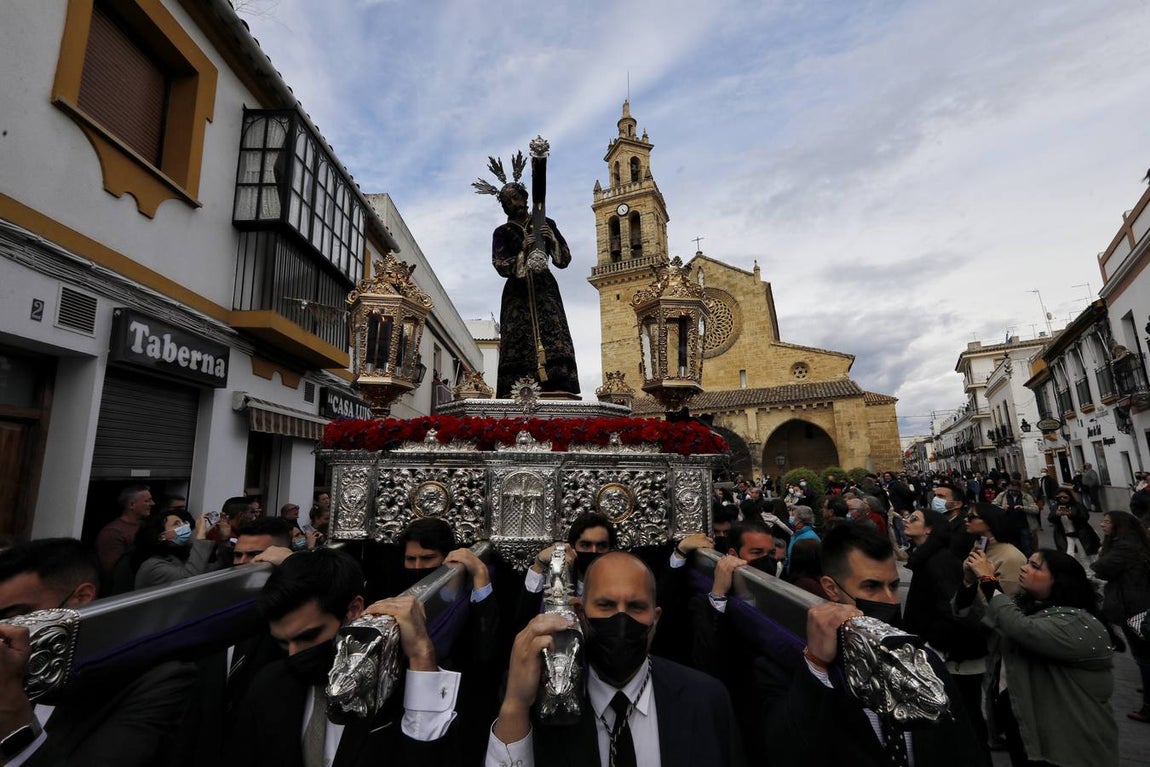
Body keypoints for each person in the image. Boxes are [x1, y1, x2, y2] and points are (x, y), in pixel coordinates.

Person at [486, 551, 745, 766]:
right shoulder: (541, 699)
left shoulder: (706, 699)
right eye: (606, 605)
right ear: (580, 614)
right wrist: (515, 704)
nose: (621, 620)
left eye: (636, 607)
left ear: (655, 619)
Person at [767, 523, 987, 766]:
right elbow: (787, 750)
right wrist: (816, 666)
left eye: (893, 585)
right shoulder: (803, 668)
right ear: (831, 588)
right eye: (871, 587)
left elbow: (963, 749)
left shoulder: (925, 661)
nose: (889, 600)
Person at [230, 548, 458, 766]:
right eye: (283, 642)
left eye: (309, 636)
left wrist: (422, 657)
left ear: (353, 610)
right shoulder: (268, 685)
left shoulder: (403, 685)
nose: (294, 654)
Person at [0, 538, 196, 766]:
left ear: (81, 598)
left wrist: (15, 721)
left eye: (15, 616)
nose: (6, 628)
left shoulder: (157, 680)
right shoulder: (18, 667)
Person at [958, 548, 1119, 766]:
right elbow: (972, 616)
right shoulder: (1026, 607)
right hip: (1026, 726)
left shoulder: (1079, 622)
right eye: (1027, 562)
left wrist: (988, 579)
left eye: (1035, 566)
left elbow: (1021, 629)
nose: (1024, 568)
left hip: (1068, 738)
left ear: (1059, 580)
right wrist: (969, 582)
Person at [482, 164, 579, 398]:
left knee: (554, 333)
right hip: (517, 293)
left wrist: (551, 239)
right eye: (510, 200)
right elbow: (500, 264)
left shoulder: (545, 222)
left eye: (518, 197)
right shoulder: (502, 231)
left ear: (526, 198)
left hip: (545, 288)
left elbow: (564, 260)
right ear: (504, 205)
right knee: (518, 338)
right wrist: (522, 251)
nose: (516, 203)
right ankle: (518, 388)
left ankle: (557, 384)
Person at [1092, 511, 1150, 723]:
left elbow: (1101, 568)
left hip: (1133, 606)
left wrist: (1102, 553)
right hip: (1137, 602)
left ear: (1119, 525)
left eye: (1107, 522)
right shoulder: (1133, 542)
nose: (1102, 525)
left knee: (1143, 654)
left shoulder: (1124, 547)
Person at [133, 508, 220, 588]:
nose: (185, 527)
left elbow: (208, 570)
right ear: (162, 537)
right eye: (177, 524)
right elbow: (191, 579)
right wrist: (201, 534)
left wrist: (224, 541)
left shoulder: (177, 556)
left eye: (183, 523)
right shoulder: (153, 567)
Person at [94, 484, 154, 575]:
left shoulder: (146, 525)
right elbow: (114, 571)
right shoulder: (113, 533)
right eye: (147, 501)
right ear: (132, 505)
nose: (152, 503)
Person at [1048, 486, 1097, 563]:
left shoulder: (1077, 505)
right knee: (1067, 555)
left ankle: (1088, 570)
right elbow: (1050, 518)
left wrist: (1070, 514)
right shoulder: (1056, 507)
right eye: (1059, 497)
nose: (1062, 499)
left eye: (1065, 497)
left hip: (1079, 534)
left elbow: (1085, 517)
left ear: (1070, 496)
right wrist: (1056, 515)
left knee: (1084, 555)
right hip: (1065, 536)